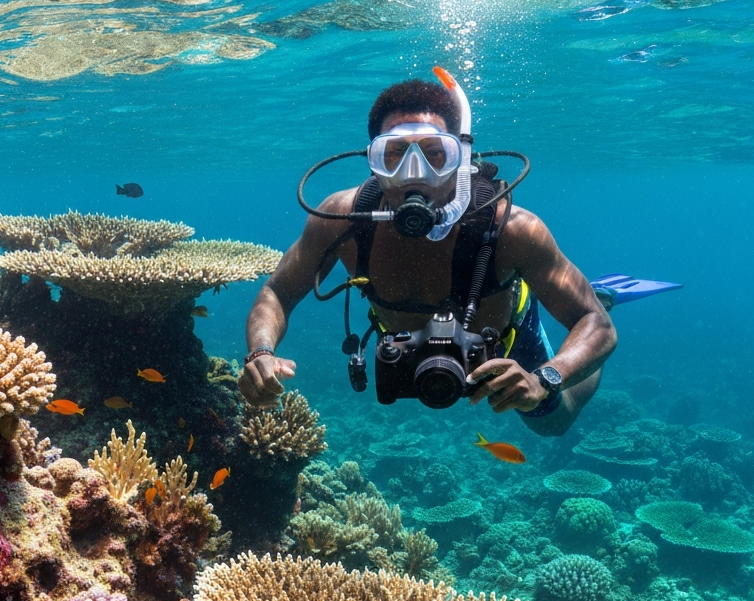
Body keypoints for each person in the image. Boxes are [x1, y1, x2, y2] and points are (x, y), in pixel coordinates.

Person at [239, 76, 617, 436]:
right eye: (395, 155)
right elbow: (278, 292)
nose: (414, 174)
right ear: (373, 160)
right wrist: (260, 353)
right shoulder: (341, 221)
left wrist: (545, 378)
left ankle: (599, 293)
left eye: (436, 154)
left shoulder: (512, 230)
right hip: (403, 348)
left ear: (461, 156)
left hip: (504, 341)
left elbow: (595, 324)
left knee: (553, 422)